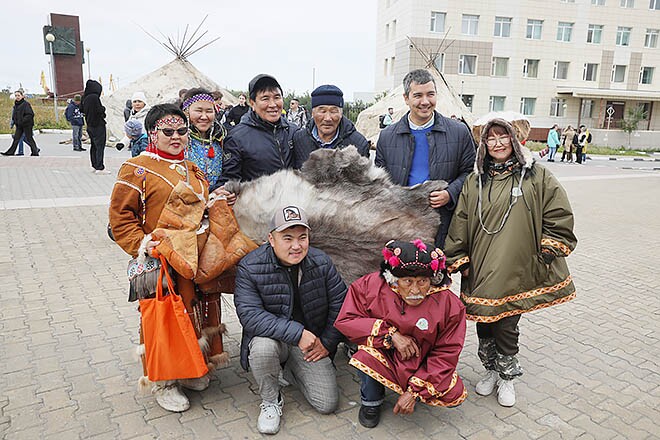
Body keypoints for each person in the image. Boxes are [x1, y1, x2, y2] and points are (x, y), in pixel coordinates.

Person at [444, 117, 577, 407]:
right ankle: (491, 370)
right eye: (490, 138)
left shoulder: (536, 175)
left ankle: (507, 376)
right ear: (484, 144)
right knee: (483, 321)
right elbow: (461, 219)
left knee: (506, 323)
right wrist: (459, 257)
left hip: (516, 264)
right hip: (480, 264)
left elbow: (558, 212)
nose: (497, 144)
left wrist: (548, 249)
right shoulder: (474, 179)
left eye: (503, 137)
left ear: (515, 139)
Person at [109, 103, 221, 412]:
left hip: (192, 257)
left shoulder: (191, 167)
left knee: (193, 312)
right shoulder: (136, 168)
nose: (176, 137)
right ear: (151, 134)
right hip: (160, 258)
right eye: (167, 132)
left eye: (182, 131)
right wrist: (142, 244)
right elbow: (121, 217)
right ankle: (164, 382)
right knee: (162, 319)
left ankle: (189, 371)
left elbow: (199, 206)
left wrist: (214, 204)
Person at [233, 205, 347, 434]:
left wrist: (327, 343)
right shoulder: (250, 266)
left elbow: (342, 305)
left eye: (302, 237)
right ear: (271, 239)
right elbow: (250, 316)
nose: (296, 245)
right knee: (263, 348)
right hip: (275, 339)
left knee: (326, 403)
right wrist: (298, 333)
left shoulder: (321, 262)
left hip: (310, 343)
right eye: (287, 238)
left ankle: (291, 369)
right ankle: (270, 400)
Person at [335, 239, 467, 428]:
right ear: (394, 279)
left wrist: (414, 392)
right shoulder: (371, 286)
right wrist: (390, 335)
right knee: (364, 355)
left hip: (421, 360)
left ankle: (415, 391)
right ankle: (371, 402)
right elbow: (346, 320)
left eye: (422, 281)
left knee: (454, 392)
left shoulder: (450, 305)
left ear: (432, 280)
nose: (415, 290)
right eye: (408, 281)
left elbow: (447, 352)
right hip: (384, 354)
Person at [375, 69, 476, 248]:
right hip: (401, 225)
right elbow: (379, 181)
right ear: (406, 98)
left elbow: (470, 172)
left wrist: (450, 193)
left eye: (430, 94)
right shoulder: (387, 136)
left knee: (438, 273)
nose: (425, 102)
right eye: (418, 95)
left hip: (443, 223)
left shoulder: (459, 132)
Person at [220, 74, 298, 184]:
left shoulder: (293, 131)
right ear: (252, 103)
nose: (273, 104)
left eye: (277, 97)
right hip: (258, 200)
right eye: (265, 99)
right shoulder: (237, 137)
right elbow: (229, 180)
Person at [292, 84, 370, 168]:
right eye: (322, 111)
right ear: (312, 113)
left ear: (341, 114)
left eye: (333, 111)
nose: (328, 118)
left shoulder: (359, 144)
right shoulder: (298, 140)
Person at [180, 88, 229, 196]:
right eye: (198, 111)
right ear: (186, 112)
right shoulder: (178, 141)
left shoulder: (221, 140)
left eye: (209, 111)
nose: (204, 116)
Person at [81, 79, 108, 173]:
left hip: (89, 125)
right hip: (98, 125)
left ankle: (94, 165)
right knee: (100, 146)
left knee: (94, 146)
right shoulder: (94, 97)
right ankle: (100, 167)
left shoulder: (85, 98)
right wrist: (103, 110)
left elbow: (81, 110)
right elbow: (100, 110)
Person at [2, 90, 40, 157]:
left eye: (18, 95)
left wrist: (22, 121)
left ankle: (35, 152)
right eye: (16, 95)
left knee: (29, 138)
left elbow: (30, 114)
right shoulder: (16, 104)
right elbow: (15, 114)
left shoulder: (26, 104)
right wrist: (14, 121)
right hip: (19, 125)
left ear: (22, 96)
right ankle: (10, 152)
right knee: (16, 139)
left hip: (27, 125)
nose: (17, 97)